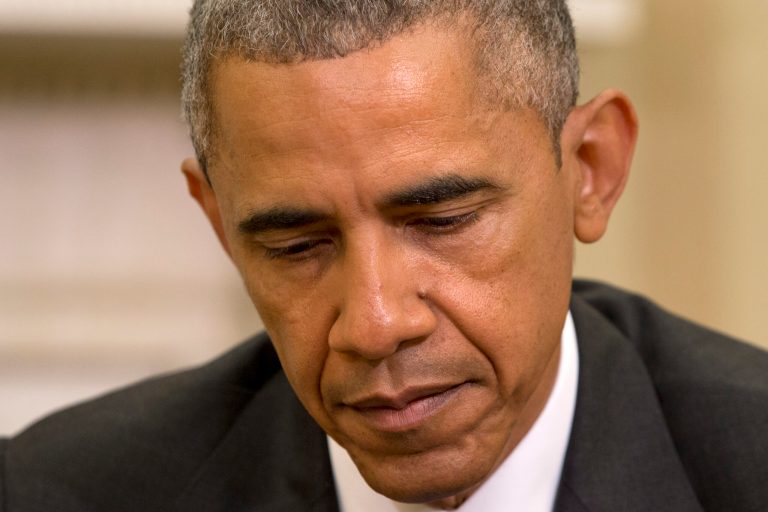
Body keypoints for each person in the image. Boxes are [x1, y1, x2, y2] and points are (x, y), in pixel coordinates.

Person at [1, 1, 766, 511]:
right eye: (297, 245)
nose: (373, 325)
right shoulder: (54, 494)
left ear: (591, 169)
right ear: (220, 225)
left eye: (443, 221)